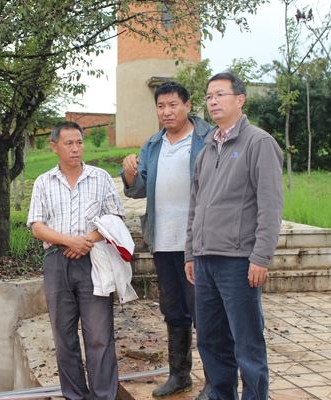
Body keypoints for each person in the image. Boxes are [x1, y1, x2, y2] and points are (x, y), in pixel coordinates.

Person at [184, 71, 284, 400]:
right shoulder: (206, 150)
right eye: (209, 96)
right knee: (211, 340)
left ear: (240, 99)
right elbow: (195, 206)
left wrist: (261, 257)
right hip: (205, 261)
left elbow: (271, 205)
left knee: (247, 342)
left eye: (220, 95)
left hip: (238, 262)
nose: (213, 101)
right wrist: (190, 253)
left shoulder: (259, 143)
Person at [121, 81, 212, 399]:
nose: (167, 111)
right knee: (173, 309)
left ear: (187, 105)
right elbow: (137, 189)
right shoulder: (153, 144)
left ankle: (214, 381)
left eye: (173, 104)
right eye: (161, 106)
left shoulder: (207, 138)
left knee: (203, 311)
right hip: (162, 240)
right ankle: (180, 376)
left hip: (197, 244)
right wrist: (129, 172)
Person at [27, 120, 125, 400]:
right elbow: (37, 226)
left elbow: (115, 218)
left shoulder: (100, 178)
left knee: (99, 336)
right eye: (68, 143)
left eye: (79, 142)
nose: (75, 148)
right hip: (57, 263)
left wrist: (86, 241)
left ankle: (103, 395)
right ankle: (75, 396)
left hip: (94, 260)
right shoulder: (44, 182)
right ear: (54, 146)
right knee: (64, 337)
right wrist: (69, 241)